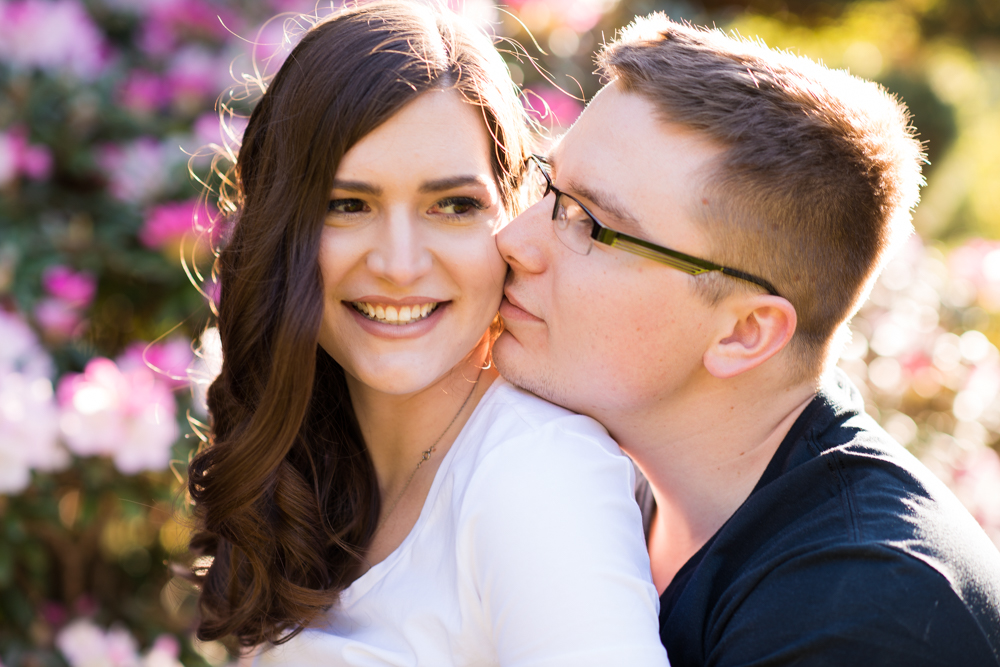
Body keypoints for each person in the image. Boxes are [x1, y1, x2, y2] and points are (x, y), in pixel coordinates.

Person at [494, 14, 1000, 667]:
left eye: (590, 225)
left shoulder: (861, 618)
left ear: (744, 332)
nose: (514, 240)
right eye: (547, 185)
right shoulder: (614, 479)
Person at [185, 3, 668, 665]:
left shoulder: (538, 476)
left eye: (453, 205)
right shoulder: (317, 457)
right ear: (281, 225)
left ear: (512, 216)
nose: (400, 264)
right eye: (346, 204)